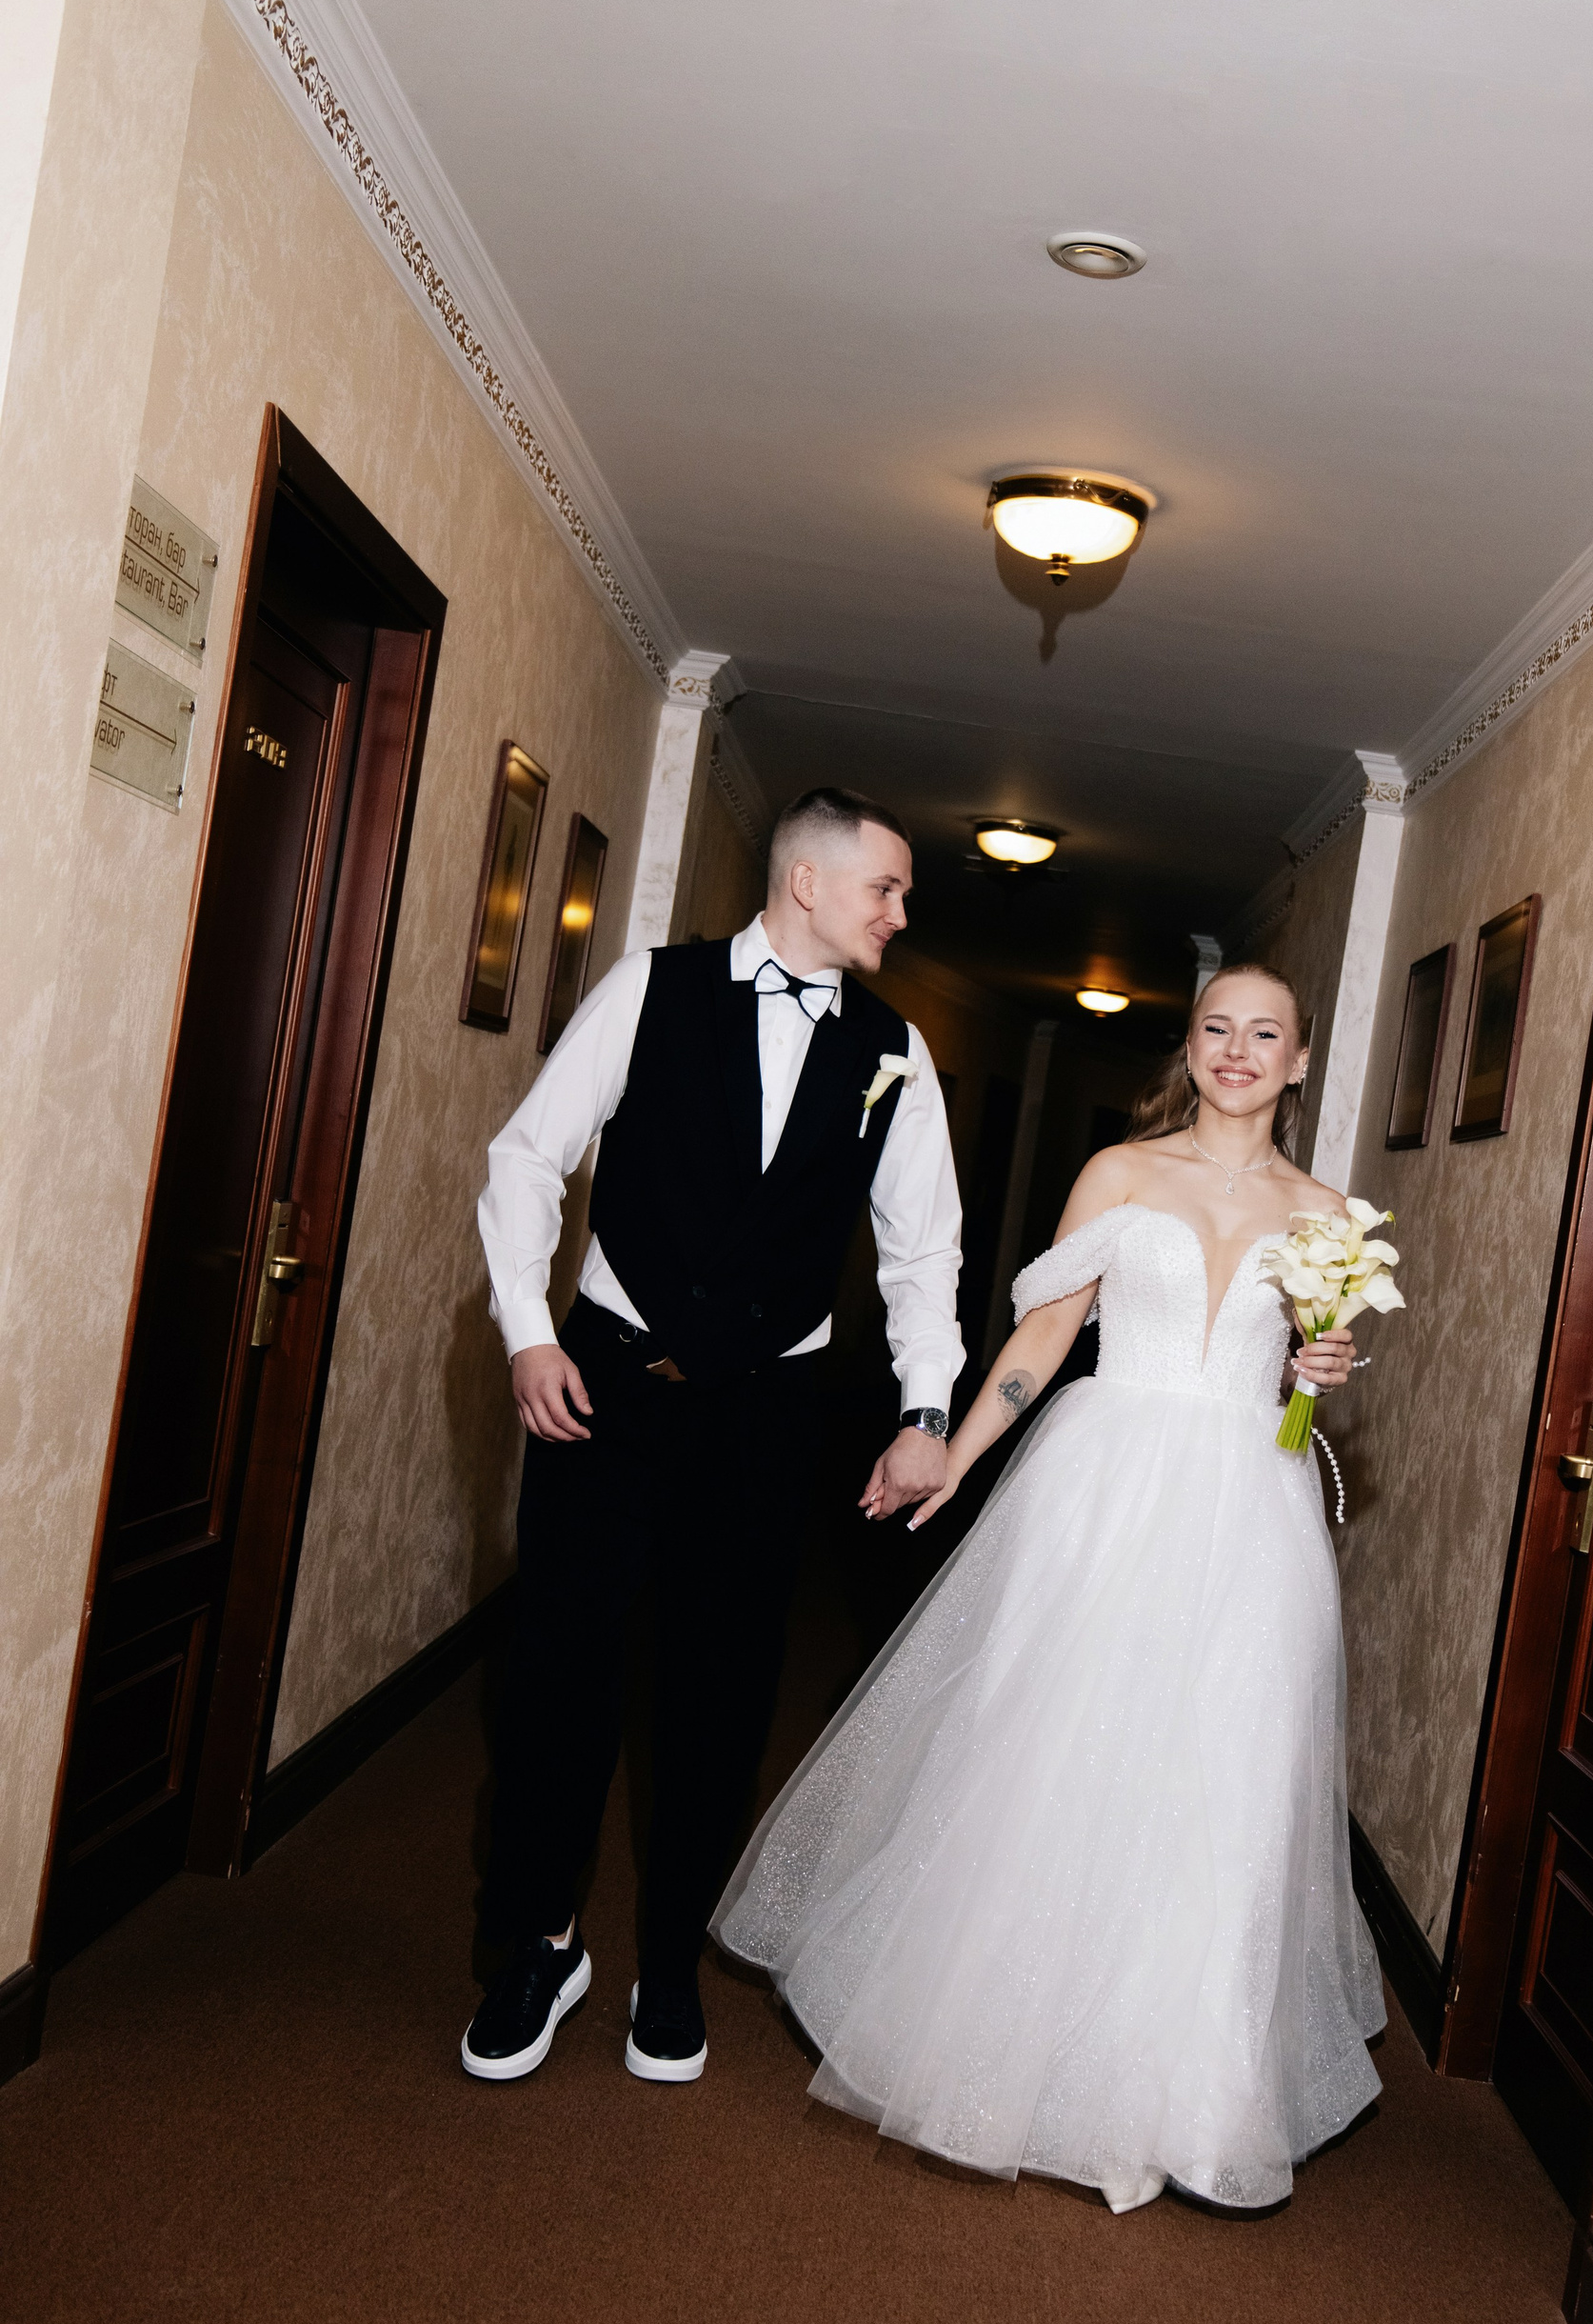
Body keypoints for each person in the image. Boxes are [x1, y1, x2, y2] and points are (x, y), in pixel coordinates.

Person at [715, 962, 1387, 2213]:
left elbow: (1303, 1378)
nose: (1238, 1050)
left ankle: (1186, 2099)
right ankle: (998, 2049)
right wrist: (955, 1455)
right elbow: (1045, 1333)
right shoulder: (1120, 1175)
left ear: (1300, 1062)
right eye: (1217, 1028)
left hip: (1251, 1509)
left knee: (1226, 1777)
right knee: (1054, 1745)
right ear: (1190, 1045)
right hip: (1102, 1489)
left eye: (1266, 1034)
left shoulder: (1329, 1215)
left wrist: (1319, 1369)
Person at [463, 788, 964, 2084]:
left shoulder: (897, 1055)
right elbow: (529, 1156)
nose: (900, 916)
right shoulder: (652, 988)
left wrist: (924, 1412)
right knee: (559, 1670)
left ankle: (669, 1960)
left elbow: (924, 1255)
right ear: (808, 881)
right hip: (603, 1389)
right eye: (886, 890)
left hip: (764, 1413)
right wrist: (528, 1331)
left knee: (722, 1689)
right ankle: (537, 1941)